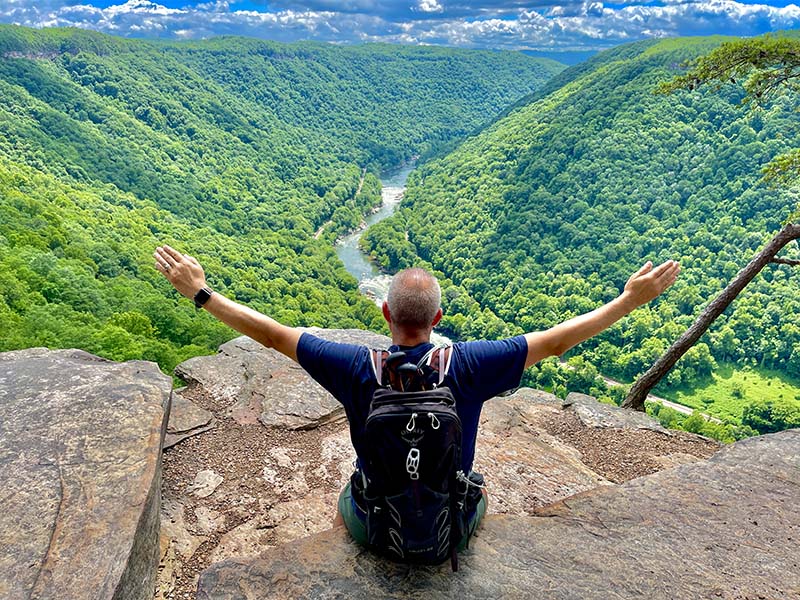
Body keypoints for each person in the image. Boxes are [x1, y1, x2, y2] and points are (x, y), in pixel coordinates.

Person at [154, 244, 679, 550]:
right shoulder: (471, 365)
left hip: (375, 524)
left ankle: (351, 547)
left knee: (347, 493)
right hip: (451, 530)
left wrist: (201, 292)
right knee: (477, 487)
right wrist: (629, 301)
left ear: (385, 315)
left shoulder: (354, 367)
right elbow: (559, 339)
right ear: (438, 321)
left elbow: (271, 334)